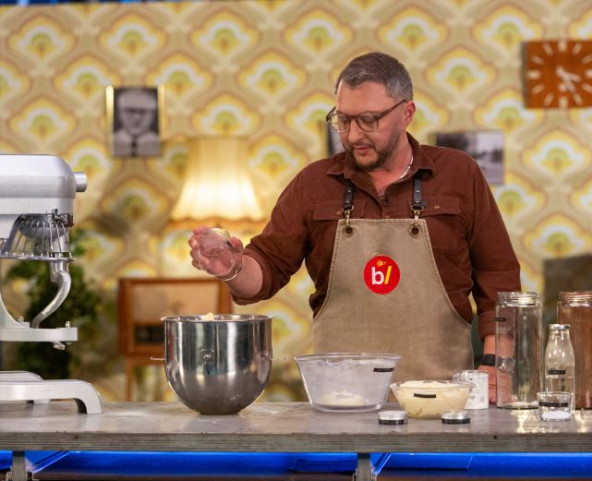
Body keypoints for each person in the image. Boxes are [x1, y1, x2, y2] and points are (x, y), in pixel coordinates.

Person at [189, 52, 520, 398]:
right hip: (340, 400)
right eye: (343, 120)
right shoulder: (314, 184)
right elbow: (267, 268)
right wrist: (231, 267)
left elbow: (498, 278)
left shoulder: (458, 174)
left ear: (407, 113)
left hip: (443, 397)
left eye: (368, 120)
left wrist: (497, 363)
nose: (353, 135)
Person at [113, 88, 161, 157]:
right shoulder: (110, 142)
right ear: (119, 113)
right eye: (130, 111)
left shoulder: (163, 144)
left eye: (143, 112)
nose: (137, 118)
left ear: (153, 115)